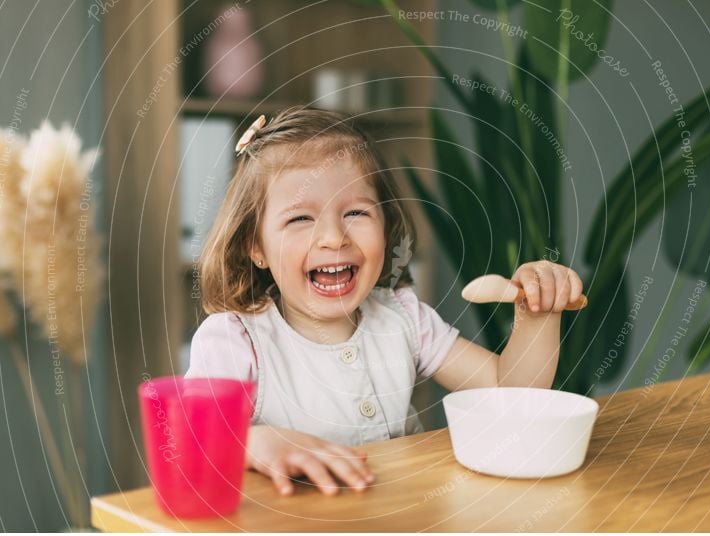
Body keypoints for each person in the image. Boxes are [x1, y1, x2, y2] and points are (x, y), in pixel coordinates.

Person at [186, 106, 584, 496]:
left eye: (356, 211)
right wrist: (256, 443)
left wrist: (538, 314)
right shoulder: (236, 340)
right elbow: (192, 438)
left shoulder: (404, 318)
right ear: (256, 246)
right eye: (300, 219)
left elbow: (510, 391)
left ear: (386, 225)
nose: (333, 237)